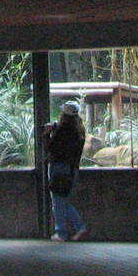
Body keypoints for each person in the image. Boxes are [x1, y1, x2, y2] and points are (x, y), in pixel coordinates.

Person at [43, 100, 87, 241]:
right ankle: (79, 227)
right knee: (64, 200)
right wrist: (55, 127)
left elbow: (52, 147)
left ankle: (62, 232)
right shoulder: (79, 130)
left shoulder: (61, 131)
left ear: (63, 114)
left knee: (58, 201)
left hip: (59, 168)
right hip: (72, 169)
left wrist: (47, 134)